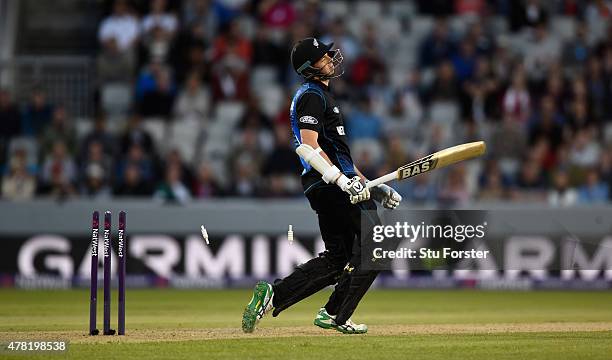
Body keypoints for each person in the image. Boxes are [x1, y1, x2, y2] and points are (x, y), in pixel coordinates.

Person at [241, 38, 402, 334]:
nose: (330, 57)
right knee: (377, 245)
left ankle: (273, 295)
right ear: (308, 68)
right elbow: (310, 146)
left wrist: (372, 186)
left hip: (332, 186)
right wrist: (343, 182)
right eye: (322, 56)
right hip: (331, 185)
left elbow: (340, 156)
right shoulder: (312, 96)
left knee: (337, 259)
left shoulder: (321, 96)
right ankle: (335, 314)